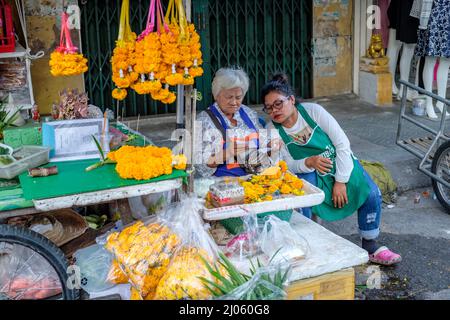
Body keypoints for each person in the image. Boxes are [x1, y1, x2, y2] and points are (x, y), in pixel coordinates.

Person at [261, 73, 402, 266]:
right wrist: (308, 162)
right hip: (309, 171)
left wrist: (341, 181)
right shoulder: (271, 130)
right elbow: (283, 165)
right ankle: (307, 243)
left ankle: (370, 245)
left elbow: (342, 143)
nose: (274, 111)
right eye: (269, 108)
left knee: (370, 193)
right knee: (305, 196)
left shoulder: (313, 112)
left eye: (278, 103)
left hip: (338, 162)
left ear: (291, 99)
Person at [196, 67, 270, 177]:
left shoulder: (248, 113)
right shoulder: (204, 121)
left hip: (256, 179)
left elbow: (265, 143)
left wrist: (270, 146)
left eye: (238, 97)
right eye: (229, 97)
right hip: (224, 184)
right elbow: (200, 166)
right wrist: (227, 153)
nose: (234, 102)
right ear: (216, 95)